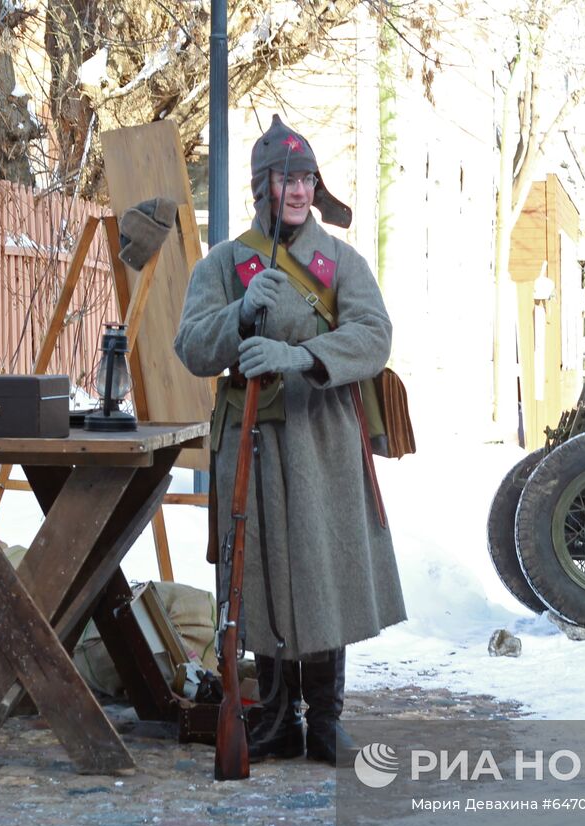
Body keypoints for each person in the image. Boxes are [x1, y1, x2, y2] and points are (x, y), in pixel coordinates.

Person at [174, 115, 406, 766]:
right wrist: (239, 314)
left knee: (321, 569)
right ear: (262, 186)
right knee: (262, 570)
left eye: (306, 178)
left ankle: (326, 719)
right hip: (252, 438)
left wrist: (301, 355)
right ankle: (274, 717)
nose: (299, 191)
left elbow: (373, 336)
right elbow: (191, 346)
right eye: (285, 178)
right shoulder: (226, 263)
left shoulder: (341, 263)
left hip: (323, 437)